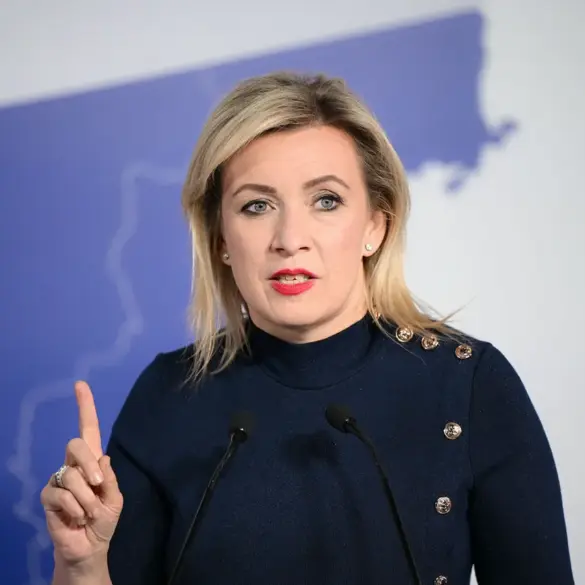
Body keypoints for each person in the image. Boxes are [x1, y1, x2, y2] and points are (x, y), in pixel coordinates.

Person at [40, 71, 575, 585]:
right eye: (256, 206)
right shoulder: (167, 394)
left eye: (326, 201)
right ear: (221, 239)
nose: (289, 237)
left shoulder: (470, 386)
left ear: (375, 226)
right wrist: (83, 566)